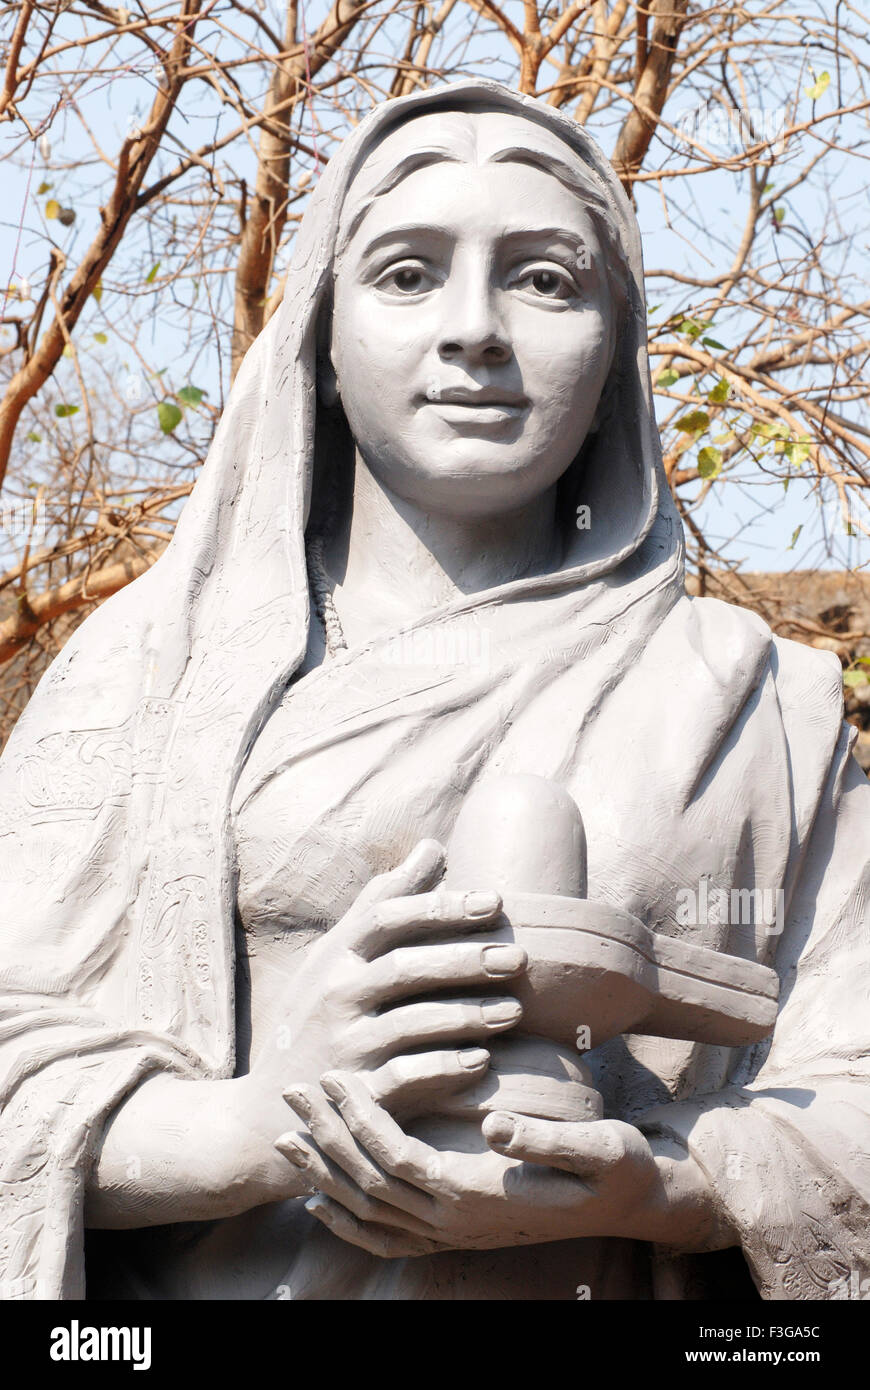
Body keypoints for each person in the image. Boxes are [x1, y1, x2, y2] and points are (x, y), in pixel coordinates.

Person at [1, 80, 868, 1302]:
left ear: (615, 341)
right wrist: (258, 1124)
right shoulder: (143, 672)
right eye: (408, 275)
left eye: (546, 280)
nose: (476, 330)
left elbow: (855, 1082)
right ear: (325, 335)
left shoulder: (762, 705)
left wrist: (671, 1186)